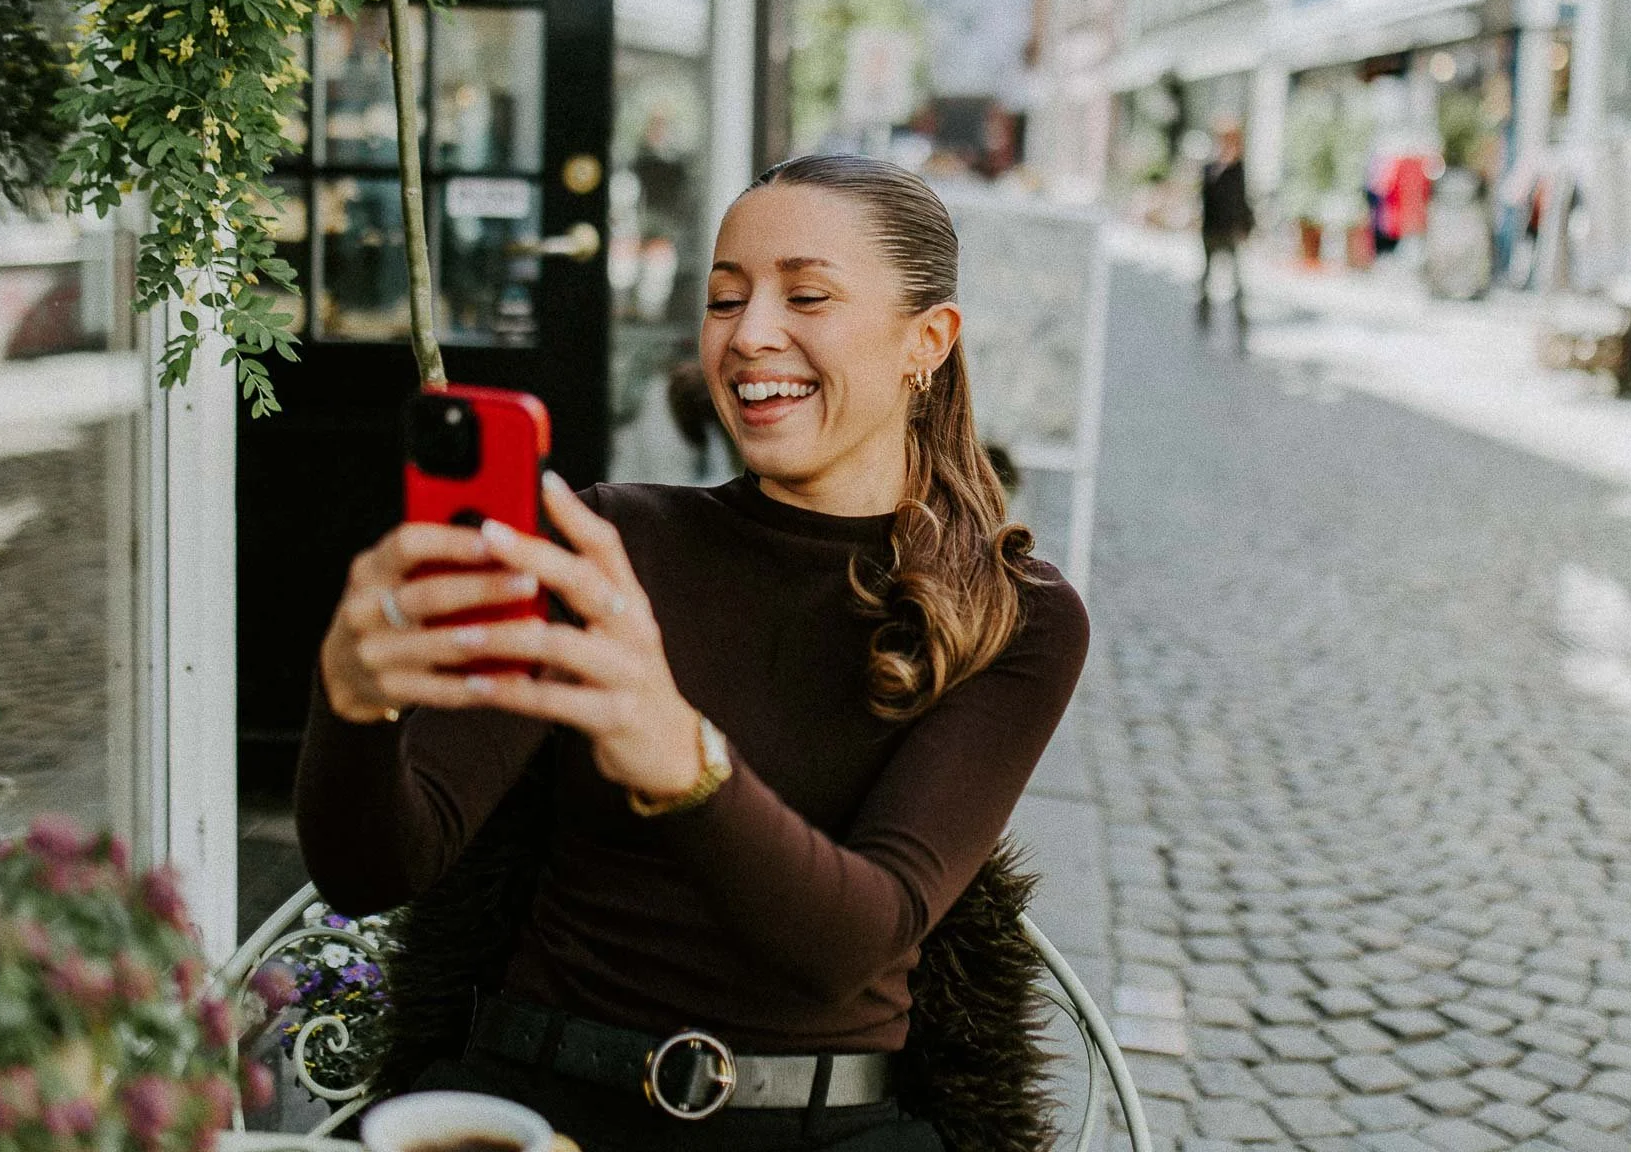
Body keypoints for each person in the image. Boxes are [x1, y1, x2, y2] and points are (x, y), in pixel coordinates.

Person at [296, 155, 1090, 1152]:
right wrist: (353, 702)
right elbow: (376, 866)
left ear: (926, 341)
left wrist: (680, 756)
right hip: (531, 1107)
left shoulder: (1015, 614)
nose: (750, 332)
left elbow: (853, 939)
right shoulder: (602, 543)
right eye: (725, 297)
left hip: (825, 1128)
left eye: (806, 294)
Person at [1196, 121, 1254, 350]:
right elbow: (1206, 198)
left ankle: (1241, 331)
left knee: (1237, 285)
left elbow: (1242, 201)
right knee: (1205, 280)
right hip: (1211, 231)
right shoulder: (1211, 167)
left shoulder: (1238, 168)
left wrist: (1246, 228)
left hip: (1231, 233)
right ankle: (1202, 323)